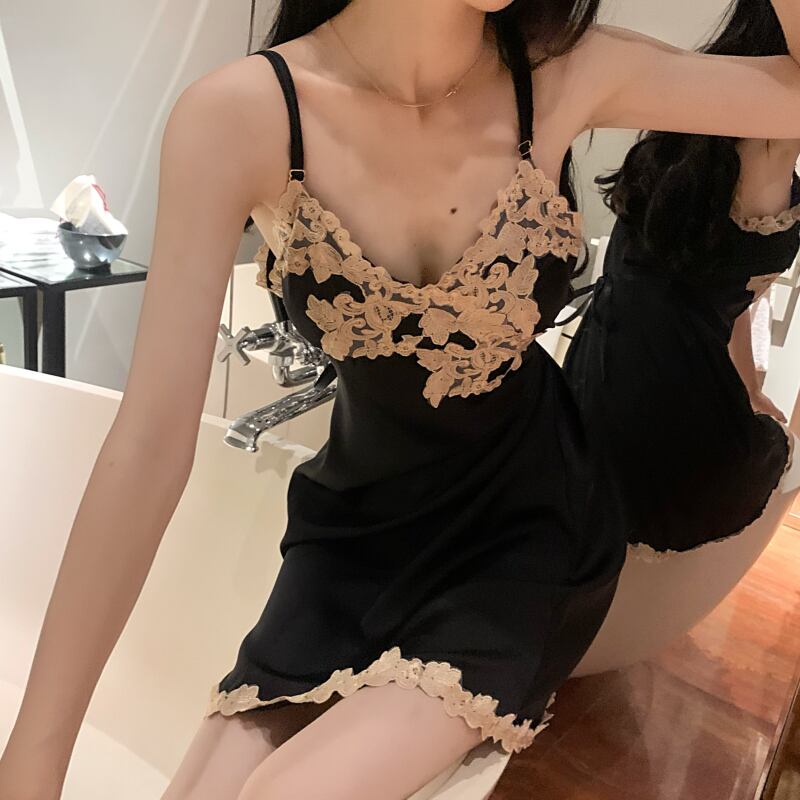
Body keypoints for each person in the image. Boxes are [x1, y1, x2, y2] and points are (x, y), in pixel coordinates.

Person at [3, 2, 800, 799]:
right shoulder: (242, 116)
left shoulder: (560, 71)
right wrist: (31, 763)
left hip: (529, 526)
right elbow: (148, 445)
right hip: (355, 533)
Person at [563, 0, 800, 560]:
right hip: (668, 399)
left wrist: (749, 385)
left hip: (600, 363)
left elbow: (727, 297)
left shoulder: (692, 118)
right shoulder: (768, 142)